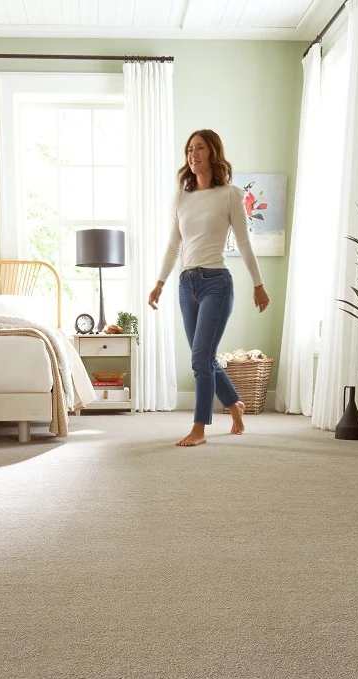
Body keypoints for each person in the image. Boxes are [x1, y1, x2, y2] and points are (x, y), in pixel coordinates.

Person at [148, 129, 270, 447]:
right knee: (204, 358)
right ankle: (234, 405)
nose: (193, 154)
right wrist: (159, 283)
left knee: (200, 359)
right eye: (189, 149)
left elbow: (243, 242)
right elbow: (173, 245)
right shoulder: (181, 198)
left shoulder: (230, 194)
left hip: (217, 283)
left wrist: (258, 284)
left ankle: (199, 428)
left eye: (199, 148)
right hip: (186, 284)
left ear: (213, 152)